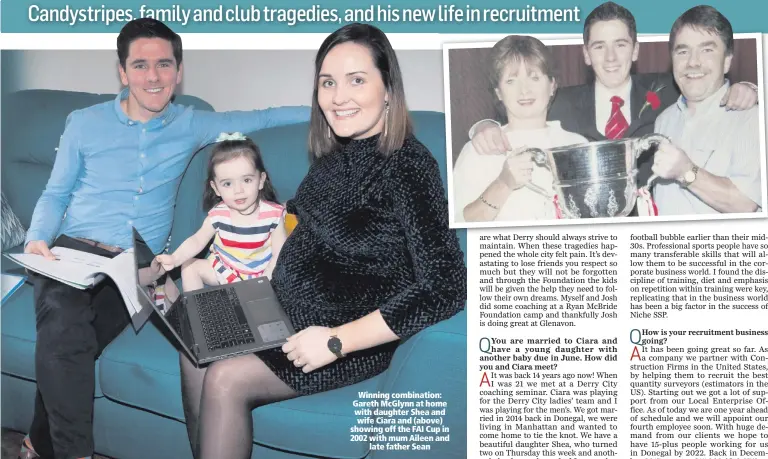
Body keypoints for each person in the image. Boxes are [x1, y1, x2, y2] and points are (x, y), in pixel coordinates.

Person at [19, 18, 308, 459]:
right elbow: (56, 191)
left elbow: (264, 117)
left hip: (142, 263)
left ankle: (37, 442)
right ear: (122, 72)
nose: (152, 77)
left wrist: (331, 107)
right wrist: (38, 238)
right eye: (140, 65)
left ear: (178, 70)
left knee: (87, 343)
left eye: (163, 64)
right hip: (73, 249)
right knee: (63, 324)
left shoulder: (191, 124)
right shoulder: (83, 123)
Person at [177, 23, 466, 459]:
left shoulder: (408, 165)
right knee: (191, 339)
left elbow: (445, 286)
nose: (338, 96)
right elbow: (295, 220)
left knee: (225, 378)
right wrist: (264, 271)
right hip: (279, 308)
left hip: (339, 334)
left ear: (388, 88)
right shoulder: (334, 156)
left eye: (357, 80)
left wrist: (336, 341)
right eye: (327, 82)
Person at [468, 2, 757, 190]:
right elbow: (516, 111)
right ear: (585, 54)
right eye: (598, 47)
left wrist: (748, 88)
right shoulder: (559, 102)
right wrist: (483, 126)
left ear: (635, 50)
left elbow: (706, 80)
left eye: (620, 45)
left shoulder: (669, 88)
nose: (610, 58)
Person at [453, 35, 587, 222]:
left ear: (552, 85)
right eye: (511, 81)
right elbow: (459, 228)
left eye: (534, 77)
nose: (524, 90)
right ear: (498, 92)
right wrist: (503, 184)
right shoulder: (479, 149)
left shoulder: (579, 146)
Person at [650, 6, 761, 215]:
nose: (693, 62)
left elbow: (745, 203)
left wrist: (686, 171)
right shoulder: (663, 120)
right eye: (683, 51)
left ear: (727, 60)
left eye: (707, 50)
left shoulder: (751, 117)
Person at [155, 133, 287, 287]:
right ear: (216, 188)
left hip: (261, 275)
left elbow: (279, 256)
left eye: (246, 180)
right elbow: (197, 240)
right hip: (224, 269)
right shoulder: (218, 214)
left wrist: (263, 284)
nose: (238, 190)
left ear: (261, 180)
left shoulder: (274, 215)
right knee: (189, 266)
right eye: (227, 184)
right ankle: (197, 308)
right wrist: (175, 258)